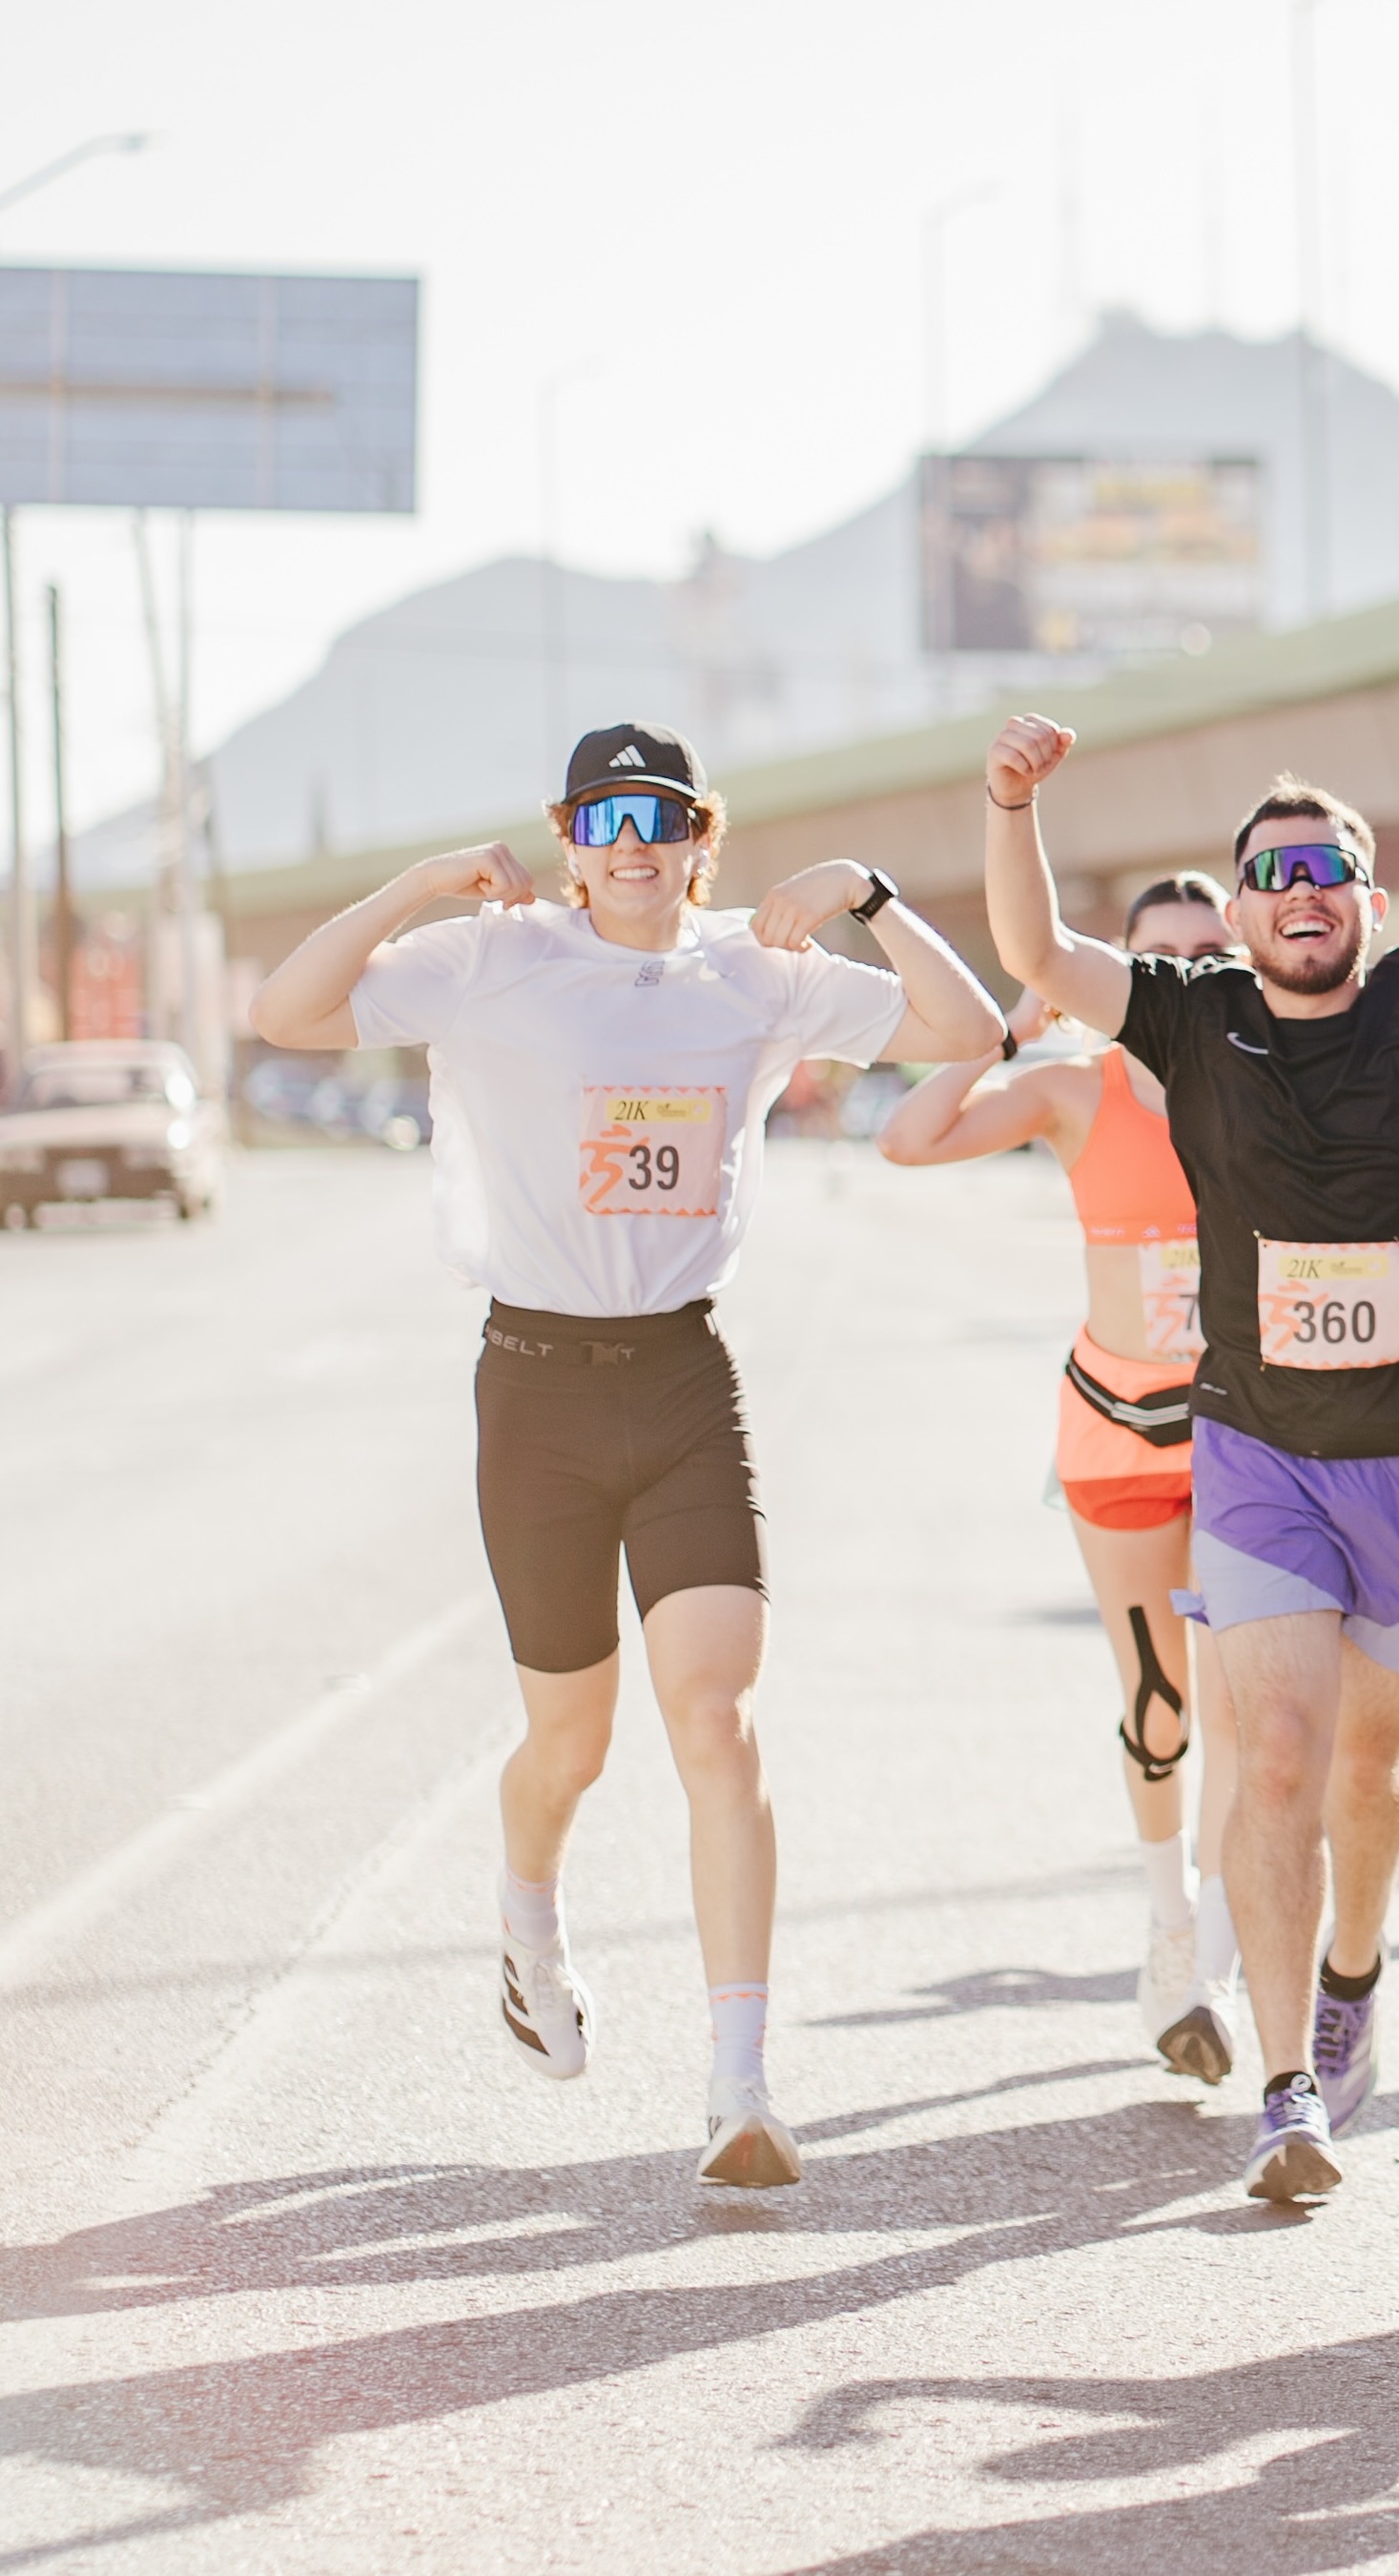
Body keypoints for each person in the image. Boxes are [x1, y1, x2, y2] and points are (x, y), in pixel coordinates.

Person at [246, 721, 1004, 2187]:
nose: (634, 842)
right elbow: (287, 1012)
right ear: (570, 838)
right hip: (531, 1390)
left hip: (678, 1377)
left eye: (661, 815)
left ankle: (740, 2083)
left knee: (713, 1717)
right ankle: (528, 1904)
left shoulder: (753, 971)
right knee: (571, 1743)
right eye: (604, 819)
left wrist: (871, 895)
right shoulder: (491, 959)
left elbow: (970, 1032)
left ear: (699, 836)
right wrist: (414, 885)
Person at [983, 713, 1399, 2203]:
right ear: (1244, 903)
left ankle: (1352, 1970)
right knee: (1270, 1752)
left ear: (1368, 902)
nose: (1300, 889)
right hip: (1257, 1445)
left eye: (1328, 866)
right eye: (1271, 872)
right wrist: (1011, 807)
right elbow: (1044, 954)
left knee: (1369, 1772)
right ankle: (1284, 2092)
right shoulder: (1194, 1017)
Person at [878, 873, 1249, 2081]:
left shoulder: (1270, 1085)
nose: (1187, 969)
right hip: (1119, 1422)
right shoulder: (1075, 1090)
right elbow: (908, 1137)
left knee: (1254, 1701)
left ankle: (1222, 1967)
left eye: (1209, 949)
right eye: (1161, 953)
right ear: (1123, 968)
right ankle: (1168, 1924)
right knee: (1161, 1697)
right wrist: (1001, 1030)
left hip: (1253, 1429)